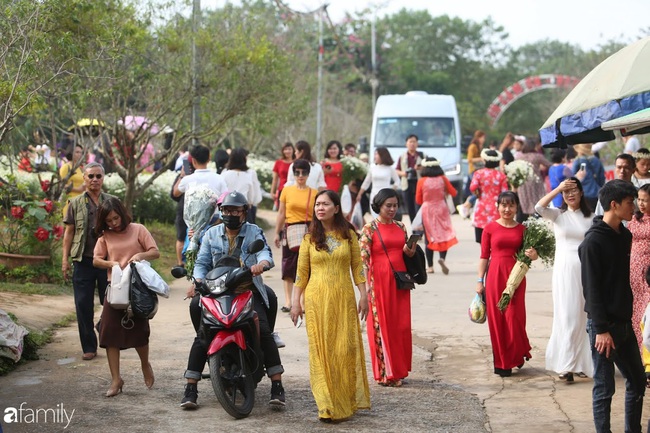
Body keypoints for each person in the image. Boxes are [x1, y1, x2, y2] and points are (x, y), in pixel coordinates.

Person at [181, 191, 286, 409]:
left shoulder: (254, 231)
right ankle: (191, 388)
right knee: (202, 333)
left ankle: (277, 386)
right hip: (217, 291)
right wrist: (197, 280)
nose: (230, 214)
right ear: (221, 211)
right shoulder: (210, 234)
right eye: (226, 210)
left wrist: (262, 265)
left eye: (235, 210)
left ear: (244, 212)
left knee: (265, 329)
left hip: (246, 290)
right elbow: (201, 262)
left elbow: (265, 254)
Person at [290, 190, 370, 422]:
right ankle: (326, 404)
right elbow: (301, 274)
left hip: (344, 299)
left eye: (325, 204)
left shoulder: (349, 236)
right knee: (321, 351)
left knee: (344, 349)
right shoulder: (309, 239)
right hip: (316, 300)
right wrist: (296, 303)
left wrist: (363, 295)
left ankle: (344, 399)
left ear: (336, 208)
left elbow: (357, 267)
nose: (320, 208)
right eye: (317, 205)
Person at [578, 179, 645, 433]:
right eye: (631, 203)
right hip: (603, 327)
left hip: (624, 322)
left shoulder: (624, 235)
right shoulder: (592, 243)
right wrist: (602, 329)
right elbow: (591, 290)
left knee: (638, 381)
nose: (635, 207)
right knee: (605, 388)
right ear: (614, 205)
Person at [92, 197, 160, 397]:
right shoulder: (105, 235)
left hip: (137, 289)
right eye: (109, 221)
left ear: (122, 213)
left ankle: (145, 365)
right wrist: (112, 264)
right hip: (115, 290)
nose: (114, 223)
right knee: (108, 333)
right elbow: (96, 260)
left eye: (116, 218)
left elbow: (154, 252)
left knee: (140, 332)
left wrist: (140, 256)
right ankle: (116, 379)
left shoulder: (138, 229)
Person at [535, 178, 593, 381]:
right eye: (566, 192)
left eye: (574, 190)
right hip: (564, 272)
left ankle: (581, 363)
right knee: (567, 315)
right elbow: (538, 207)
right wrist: (558, 188)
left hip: (586, 272)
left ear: (581, 193)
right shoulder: (558, 215)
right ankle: (565, 365)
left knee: (583, 316)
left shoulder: (592, 217)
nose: (570, 194)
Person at [476, 191, 538, 377]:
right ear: (497, 206)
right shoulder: (489, 229)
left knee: (515, 318)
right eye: (503, 205)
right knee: (498, 320)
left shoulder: (523, 230)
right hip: (494, 276)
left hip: (516, 277)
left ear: (517, 207)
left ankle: (517, 353)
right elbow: (484, 256)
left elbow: (530, 255)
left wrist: (534, 255)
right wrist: (480, 281)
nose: (507, 209)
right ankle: (503, 362)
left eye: (511, 205)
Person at [359, 188, 416, 386]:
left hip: (400, 281)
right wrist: (365, 287)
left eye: (395, 205)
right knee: (382, 325)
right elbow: (363, 260)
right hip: (379, 281)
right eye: (388, 206)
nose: (392, 209)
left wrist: (410, 250)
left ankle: (399, 370)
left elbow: (405, 253)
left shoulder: (401, 226)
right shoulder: (369, 229)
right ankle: (386, 374)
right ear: (379, 206)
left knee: (401, 326)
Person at [62, 162, 115, 361]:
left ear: (103, 179)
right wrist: (65, 261)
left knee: (110, 302)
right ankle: (89, 346)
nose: (94, 180)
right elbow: (69, 233)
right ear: (84, 178)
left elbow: (122, 229)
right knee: (83, 304)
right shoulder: (74, 203)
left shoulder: (111, 201)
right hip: (83, 261)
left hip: (107, 261)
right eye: (90, 176)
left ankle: (104, 328)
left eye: (98, 176)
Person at [274, 159, 317, 313]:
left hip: (308, 231)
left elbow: (318, 216)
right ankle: (288, 301)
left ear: (308, 174)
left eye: (304, 172)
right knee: (288, 265)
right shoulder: (287, 191)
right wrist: (276, 233)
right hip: (289, 229)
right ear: (293, 173)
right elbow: (281, 213)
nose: (300, 175)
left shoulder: (314, 193)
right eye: (297, 172)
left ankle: (304, 302)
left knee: (306, 266)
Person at [415, 157, 458, 274]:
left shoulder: (422, 181)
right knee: (443, 235)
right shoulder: (443, 179)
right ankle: (442, 258)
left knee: (429, 237)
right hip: (442, 209)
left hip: (428, 210)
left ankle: (430, 266)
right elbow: (454, 192)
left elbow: (418, 200)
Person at [627, 184, 650, 382]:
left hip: (649, 274)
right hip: (633, 272)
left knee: (647, 315)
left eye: (646, 200)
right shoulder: (634, 218)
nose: (641, 204)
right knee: (636, 314)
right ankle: (640, 359)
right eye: (640, 199)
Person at [469, 149, 508, 243]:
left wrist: (478, 193)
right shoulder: (501, 176)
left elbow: (473, 187)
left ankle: (484, 255)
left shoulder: (478, 173)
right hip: (496, 208)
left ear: (485, 160)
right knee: (495, 235)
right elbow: (505, 193)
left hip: (482, 207)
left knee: (482, 238)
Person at [354, 148, 400, 218]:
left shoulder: (390, 168)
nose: (375, 156)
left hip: (386, 197)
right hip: (374, 196)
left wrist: (391, 190)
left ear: (382, 155)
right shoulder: (372, 168)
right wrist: (359, 194)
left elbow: (397, 181)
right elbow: (366, 182)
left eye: (376, 154)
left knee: (385, 216)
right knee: (375, 217)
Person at [221, 147, 262, 224]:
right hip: (243, 211)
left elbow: (221, 195)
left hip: (227, 211)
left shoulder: (224, 174)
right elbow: (252, 198)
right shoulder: (249, 175)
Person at [514, 139, 551, 222]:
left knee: (524, 204)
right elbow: (549, 164)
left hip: (522, 183)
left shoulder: (518, 156)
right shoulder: (537, 156)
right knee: (536, 204)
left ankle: (521, 225)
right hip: (535, 183)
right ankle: (536, 225)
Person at [395, 134, 423, 222]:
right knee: (410, 208)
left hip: (418, 184)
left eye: (414, 142)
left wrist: (420, 168)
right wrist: (404, 173)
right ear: (406, 143)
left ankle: (419, 228)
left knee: (419, 207)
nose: (412, 144)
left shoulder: (422, 156)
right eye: (410, 142)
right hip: (406, 185)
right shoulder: (402, 156)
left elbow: (428, 169)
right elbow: (396, 170)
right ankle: (414, 228)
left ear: (417, 143)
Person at [459, 130, 486, 215]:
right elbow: (469, 159)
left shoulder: (479, 146)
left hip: (478, 170)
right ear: (479, 137)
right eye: (483, 138)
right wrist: (481, 159)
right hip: (473, 170)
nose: (484, 140)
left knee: (475, 191)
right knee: (479, 190)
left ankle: (467, 206)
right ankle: (466, 205)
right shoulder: (473, 146)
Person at [572, 144, 606, 211]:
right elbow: (602, 178)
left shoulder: (577, 161)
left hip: (584, 194)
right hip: (597, 192)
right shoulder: (596, 160)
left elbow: (573, 178)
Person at [59, 144, 86, 217]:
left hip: (81, 202)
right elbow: (61, 185)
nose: (79, 154)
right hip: (70, 202)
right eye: (77, 152)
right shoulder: (66, 167)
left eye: (81, 152)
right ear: (71, 153)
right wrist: (78, 189)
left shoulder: (79, 168)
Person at [270, 142, 295, 209]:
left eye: (289, 149)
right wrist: (272, 192)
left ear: (293, 150)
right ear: (283, 151)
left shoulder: (296, 163)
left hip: (294, 190)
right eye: (285, 149)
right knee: (281, 212)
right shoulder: (278, 163)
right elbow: (275, 179)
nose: (287, 151)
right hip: (282, 190)